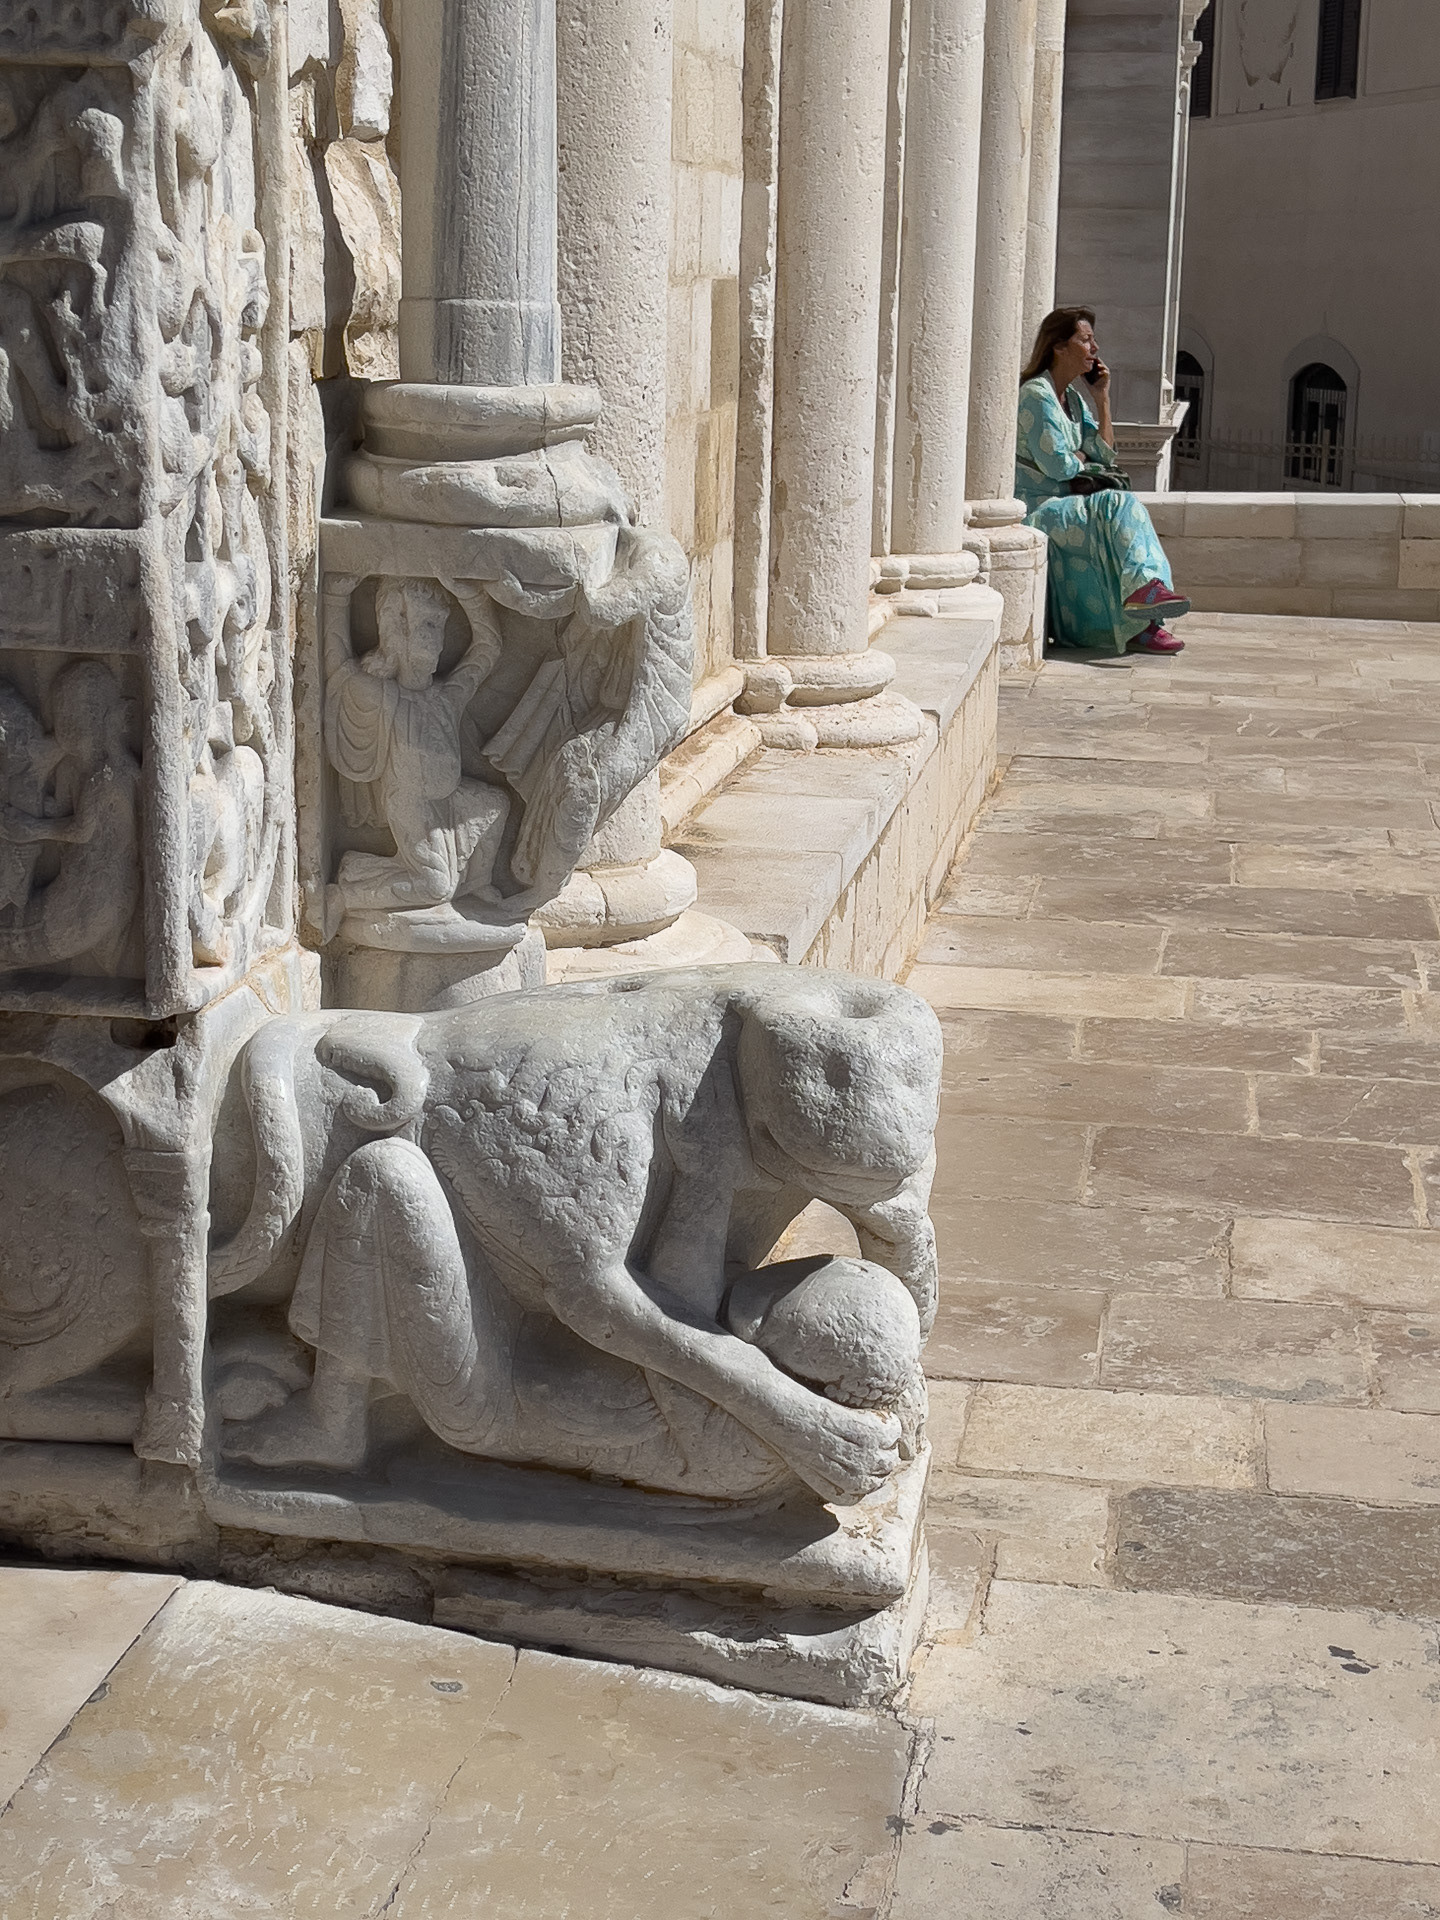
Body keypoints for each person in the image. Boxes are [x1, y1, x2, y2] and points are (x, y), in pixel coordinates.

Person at [1017, 307, 1190, 655]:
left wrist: (1103, 399)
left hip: (1068, 503)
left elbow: (1106, 454)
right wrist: (1083, 456)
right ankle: (1147, 599)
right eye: (1085, 339)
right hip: (1039, 507)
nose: (1094, 348)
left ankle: (1145, 613)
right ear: (1059, 347)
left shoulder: (1076, 401)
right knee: (1117, 502)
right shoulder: (1037, 395)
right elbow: (1060, 467)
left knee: (1119, 512)